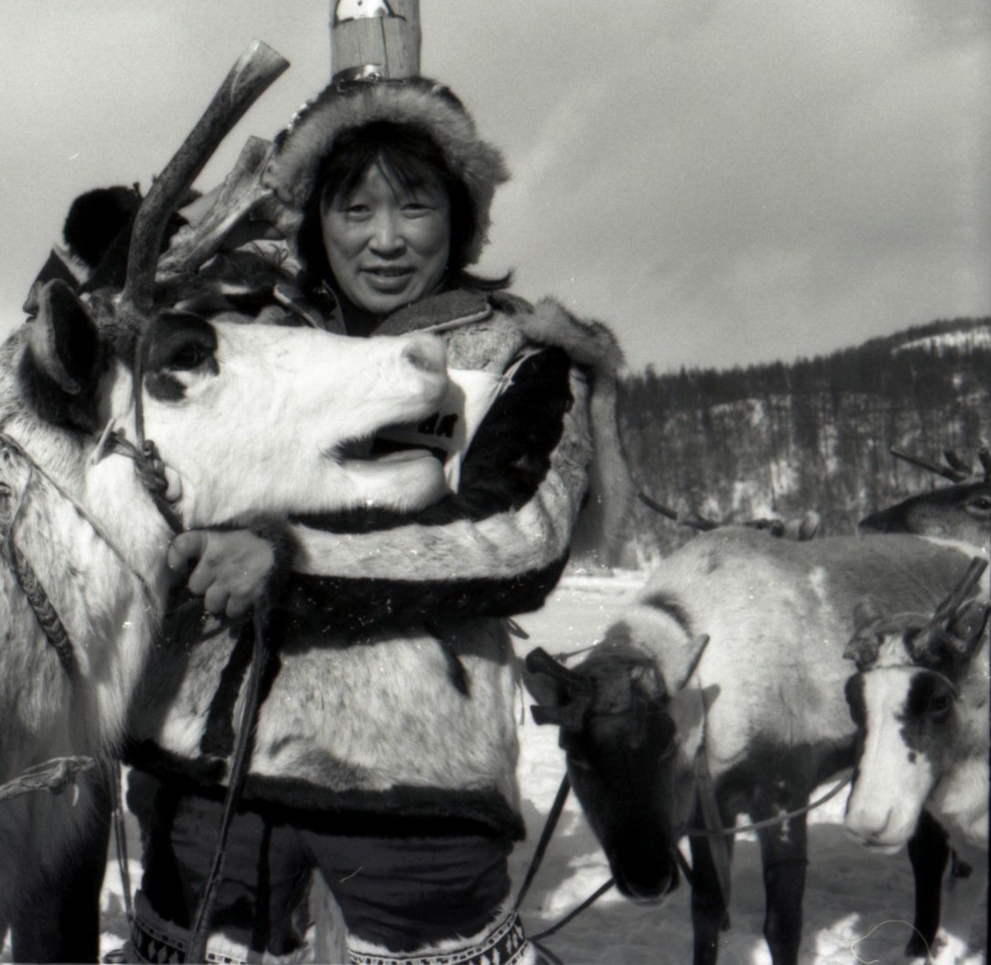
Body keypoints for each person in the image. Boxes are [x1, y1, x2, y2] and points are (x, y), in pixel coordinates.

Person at [119, 74, 633, 965]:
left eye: (415, 207)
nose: (385, 239)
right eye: (354, 208)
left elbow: (517, 539)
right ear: (317, 219)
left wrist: (291, 562)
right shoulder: (242, 341)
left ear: (461, 218)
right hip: (209, 777)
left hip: (404, 779)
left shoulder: (522, 357)